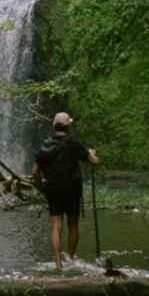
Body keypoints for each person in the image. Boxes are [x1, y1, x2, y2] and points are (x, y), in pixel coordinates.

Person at [32, 111, 99, 269]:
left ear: (54, 126)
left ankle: (57, 263)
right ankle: (70, 259)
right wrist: (91, 153)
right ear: (68, 126)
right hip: (72, 190)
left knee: (56, 225)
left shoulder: (45, 145)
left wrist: (41, 187)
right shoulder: (74, 143)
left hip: (53, 189)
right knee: (73, 224)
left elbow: (35, 171)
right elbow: (94, 162)